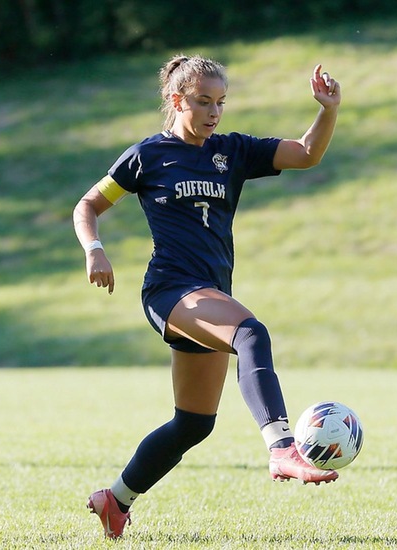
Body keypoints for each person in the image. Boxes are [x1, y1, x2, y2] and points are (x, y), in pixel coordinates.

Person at [73, 55, 341, 538]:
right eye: (202, 101)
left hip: (211, 294)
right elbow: (88, 204)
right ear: (177, 101)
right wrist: (95, 249)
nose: (214, 112)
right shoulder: (147, 156)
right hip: (169, 290)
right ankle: (282, 448)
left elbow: (306, 154)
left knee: (194, 424)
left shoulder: (232, 151)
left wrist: (328, 111)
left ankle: (114, 500)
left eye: (220, 102)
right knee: (251, 333)